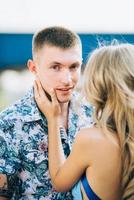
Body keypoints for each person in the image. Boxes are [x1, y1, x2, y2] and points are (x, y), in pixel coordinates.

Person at [0, 26, 93, 199]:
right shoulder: (8, 124)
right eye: (56, 67)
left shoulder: (93, 113)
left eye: (74, 67)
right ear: (33, 68)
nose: (67, 80)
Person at [34, 43, 134, 200]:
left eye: (75, 67)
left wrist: (54, 119)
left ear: (98, 83)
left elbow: (59, 182)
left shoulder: (92, 139)